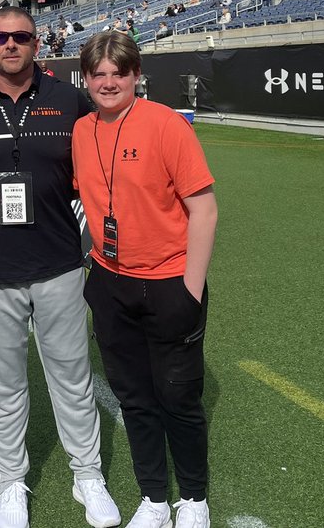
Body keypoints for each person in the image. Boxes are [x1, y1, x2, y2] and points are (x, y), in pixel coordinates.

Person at [0, 7, 119, 528]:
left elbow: (101, 167)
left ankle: (87, 476)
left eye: (21, 36)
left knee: (72, 377)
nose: (11, 45)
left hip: (60, 264)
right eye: (0, 37)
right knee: (3, 387)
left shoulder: (69, 100)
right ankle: (11, 484)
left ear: (38, 43)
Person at [72, 32, 218, 528]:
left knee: (177, 395)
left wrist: (190, 290)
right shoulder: (81, 131)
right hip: (110, 283)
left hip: (169, 282)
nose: (108, 82)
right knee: (134, 398)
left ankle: (194, 499)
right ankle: (154, 498)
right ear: (86, 79)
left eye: (119, 72)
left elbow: (204, 210)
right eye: (99, 73)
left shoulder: (167, 125)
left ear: (136, 76)